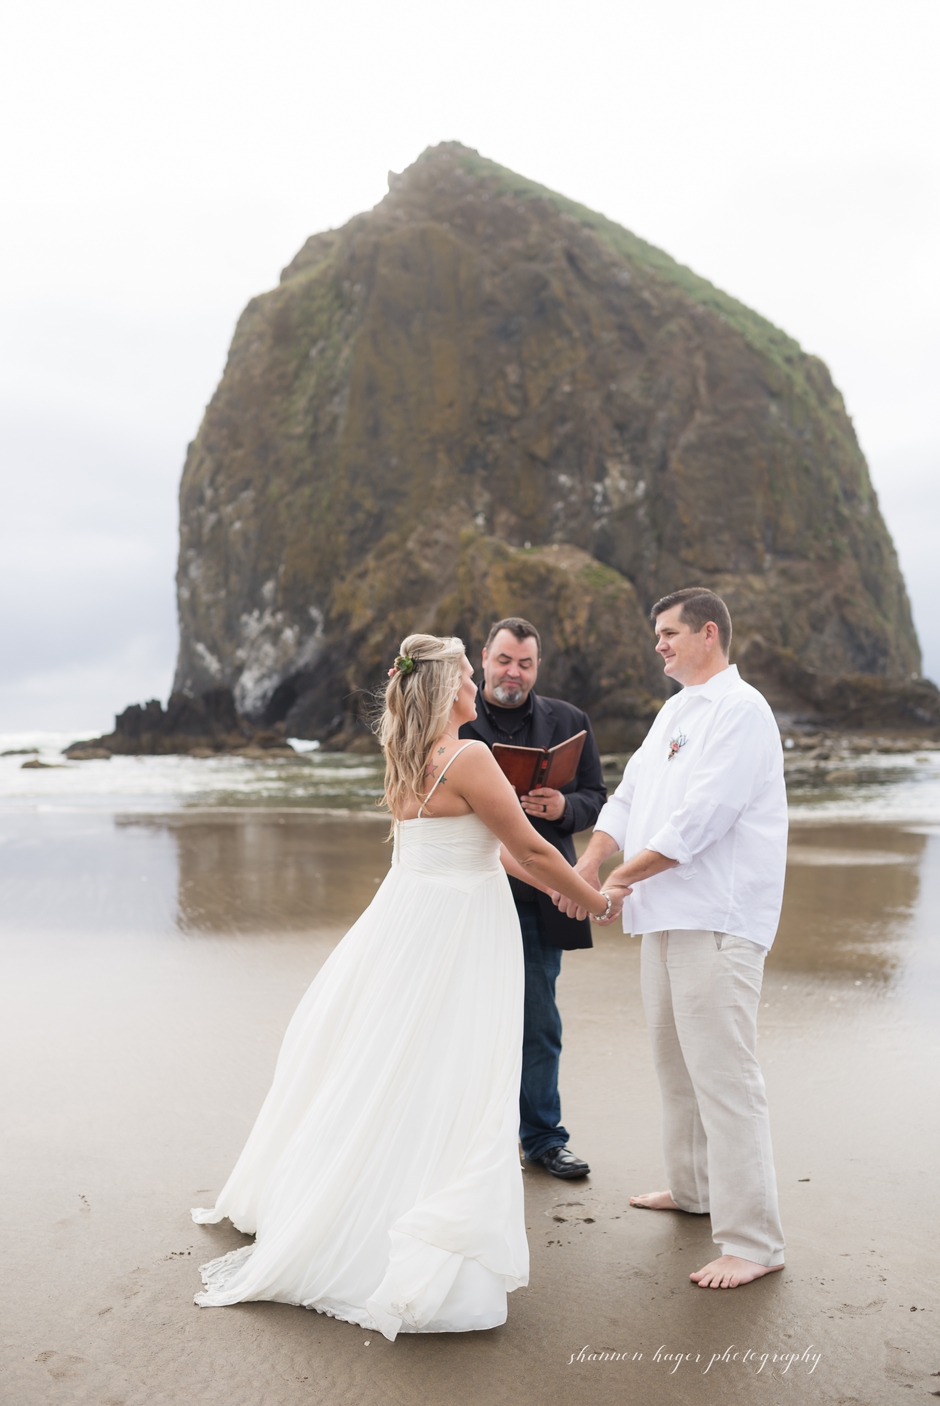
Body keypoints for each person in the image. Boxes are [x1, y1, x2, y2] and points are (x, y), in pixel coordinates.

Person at [191, 634, 621, 1340]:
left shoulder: (407, 755)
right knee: (452, 1068)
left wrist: (563, 889)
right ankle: (410, 1224)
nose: (475, 684)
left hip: (410, 920)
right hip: (457, 932)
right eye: (464, 673)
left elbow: (485, 850)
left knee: (401, 1063)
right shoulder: (470, 753)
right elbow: (531, 848)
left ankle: (362, 1192)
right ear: (450, 684)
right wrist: (593, 899)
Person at [557, 588, 788, 1289]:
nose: (658, 644)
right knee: (674, 1067)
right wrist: (590, 862)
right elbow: (628, 796)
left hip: (718, 917)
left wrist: (617, 882)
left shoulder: (742, 712)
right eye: (657, 634)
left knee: (724, 1077)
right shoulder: (675, 710)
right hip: (661, 913)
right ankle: (693, 1192)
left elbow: (702, 819)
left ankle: (754, 1241)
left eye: (669, 633)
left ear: (707, 633)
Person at [459, 617, 607, 1180]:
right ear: (484, 658)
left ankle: (544, 1139)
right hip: (474, 888)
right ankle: (472, 1140)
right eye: (503, 661)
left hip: (541, 897)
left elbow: (595, 796)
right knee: (467, 1015)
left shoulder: (569, 721)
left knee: (539, 1020)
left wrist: (561, 810)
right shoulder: (459, 720)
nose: (513, 673)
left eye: (525, 664)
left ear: (536, 667)